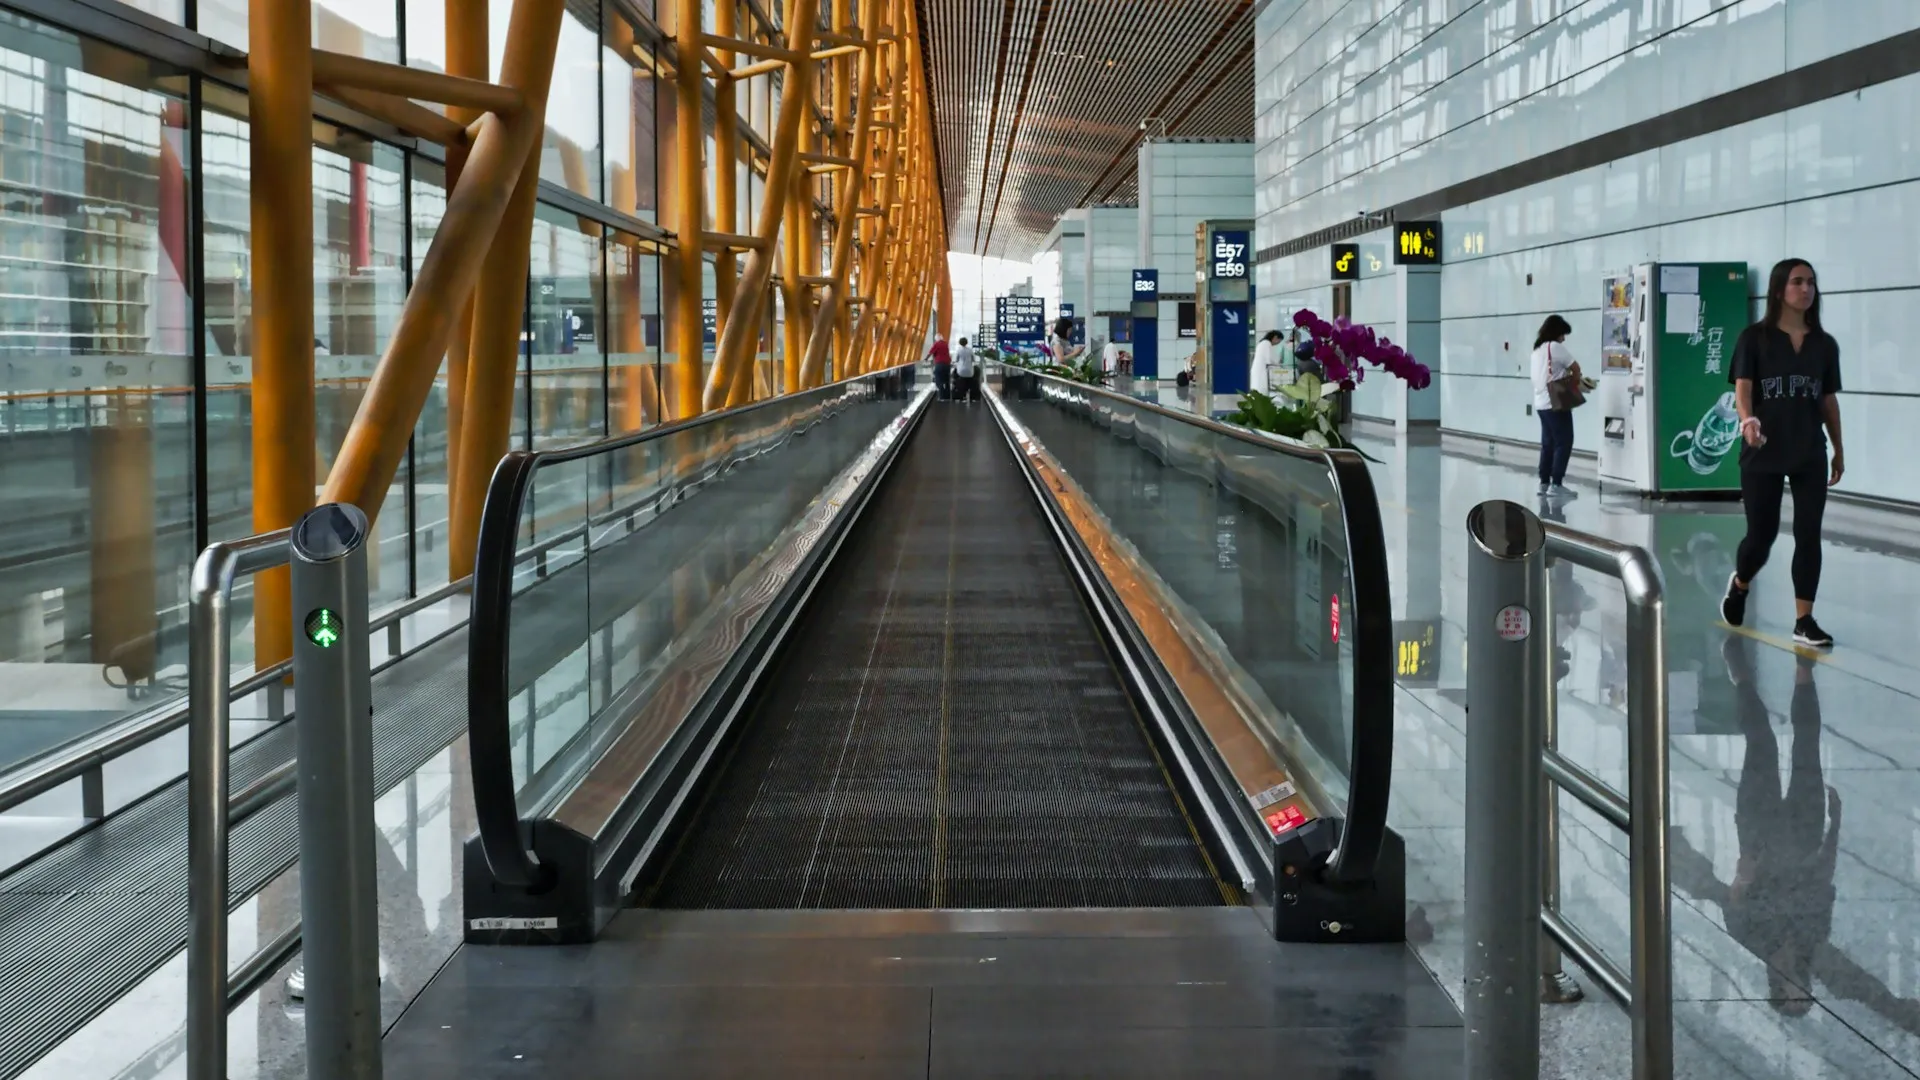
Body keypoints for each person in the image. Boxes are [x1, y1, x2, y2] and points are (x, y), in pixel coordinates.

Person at [1720, 258, 1843, 648]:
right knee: (1763, 535)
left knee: (1809, 534)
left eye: (1811, 282)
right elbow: (1743, 388)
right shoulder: (1753, 338)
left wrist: (1839, 449)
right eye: (1797, 282)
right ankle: (1740, 584)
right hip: (1763, 451)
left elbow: (1828, 401)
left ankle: (1804, 620)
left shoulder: (1824, 345)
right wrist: (1747, 420)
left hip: (1809, 451)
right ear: (1778, 290)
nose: (1806, 289)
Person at [1530, 314, 1580, 499]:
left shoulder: (1537, 350)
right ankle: (1557, 483)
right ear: (1557, 333)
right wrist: (1575, 384)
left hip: (1541, 403)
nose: (1564, 338)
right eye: (1563, 334)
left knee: (1548, 443)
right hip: (1556, 401)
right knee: (1564, 441)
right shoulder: (1556, 348)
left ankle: (1544, 483)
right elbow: (1576, 368)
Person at [1251, 329, 1282, 395]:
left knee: (1257, 388)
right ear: (1275, 337)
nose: (1277, 344)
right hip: (1261, 370)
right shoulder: (1267, 343)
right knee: (1261, 389)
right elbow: (1268, 360)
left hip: (1257, 369)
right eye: (1278, 341)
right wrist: (1278, 366)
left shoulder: (1262, 343)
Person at [952, 336, 978, 403]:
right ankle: (973, 398)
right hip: (970, 371)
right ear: (966, 342)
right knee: (971, 381)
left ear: (960, 343)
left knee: (961, 382)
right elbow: (974, 359)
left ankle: (962, 397)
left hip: (961, 371)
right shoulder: (970, 350)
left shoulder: (958, 350)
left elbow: (956, 360)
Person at [927, 335, 951, 400]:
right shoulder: (945, 344)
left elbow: (931, 352)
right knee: (947, 380)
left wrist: (926, 358)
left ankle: (942, 396)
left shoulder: (937, 344)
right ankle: (948, 396)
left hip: (939, 364)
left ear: (936, 339)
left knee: (939, 380)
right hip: (947, 364)